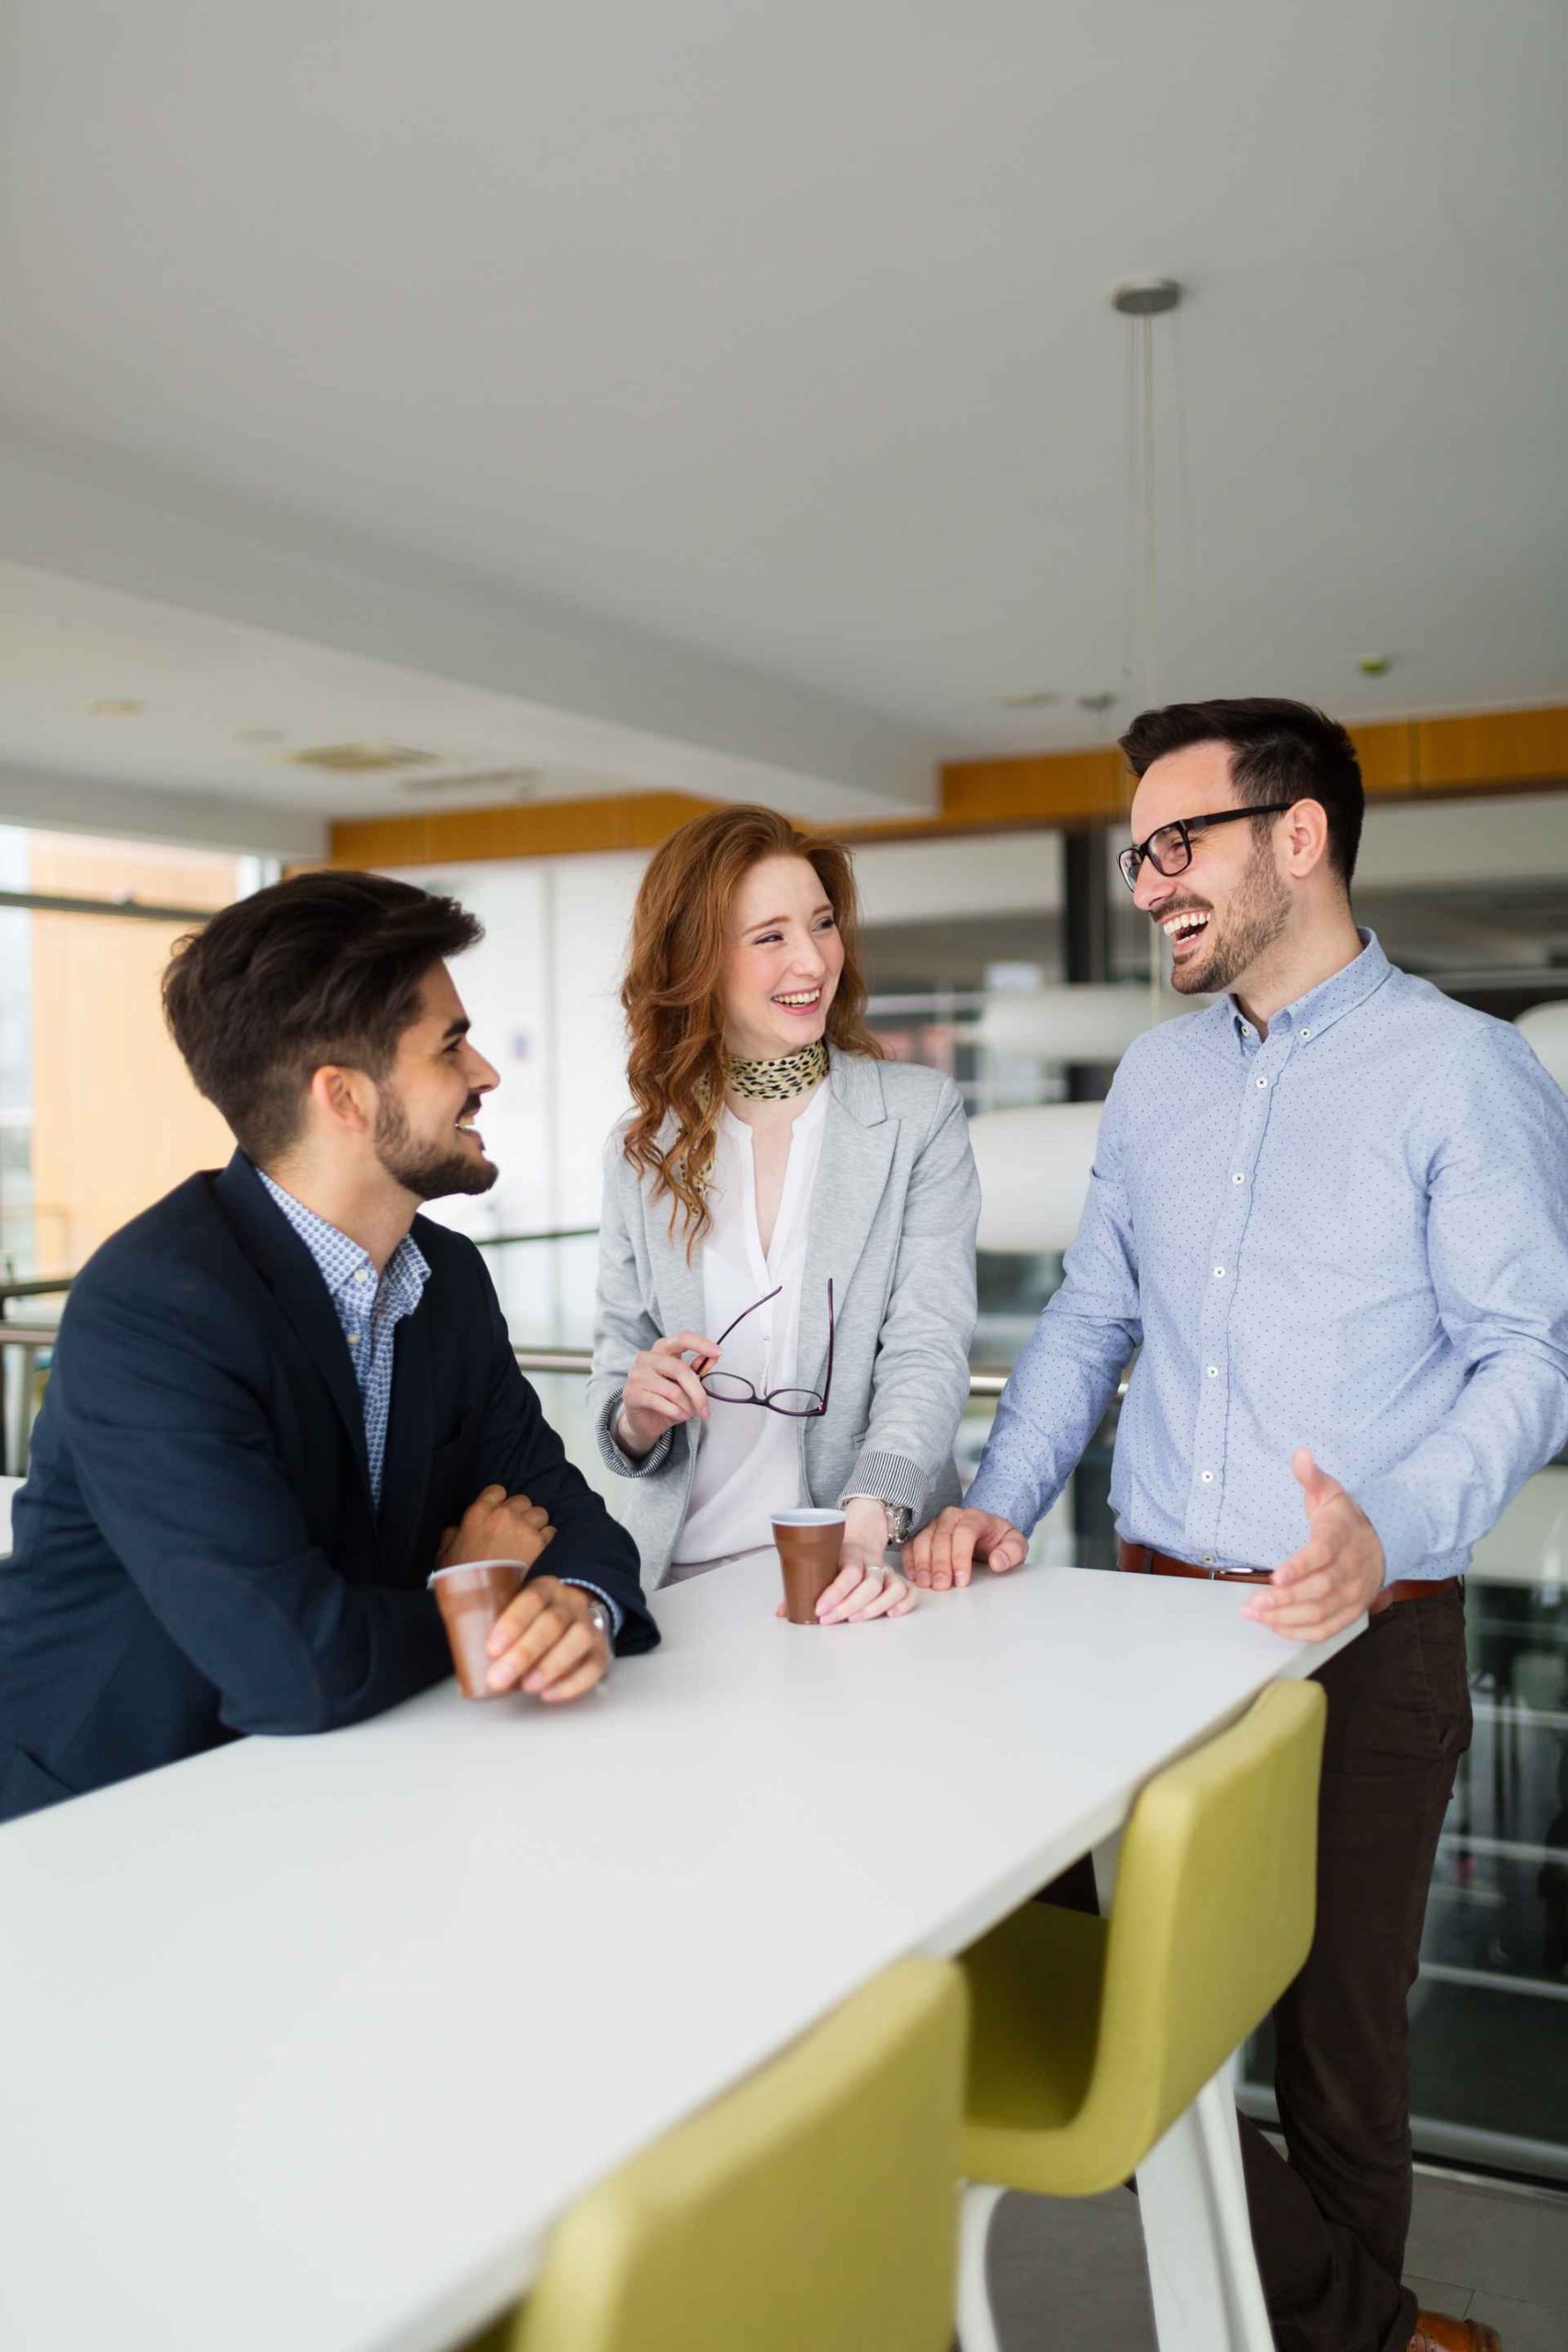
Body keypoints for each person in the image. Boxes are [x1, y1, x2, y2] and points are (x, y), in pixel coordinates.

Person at [908, 699, 1568, 2352]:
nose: (1145, 885)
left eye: (1175, 843)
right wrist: (994, 1503)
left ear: (1298, 836)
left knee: (1344, 2049)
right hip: (1142, 1626)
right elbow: (1086, 1318)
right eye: (1135, 853)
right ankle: (1371, 2331)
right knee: (1110, 2011)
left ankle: (1339, 2330)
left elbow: (1532, 1358)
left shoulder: (1461, 1073)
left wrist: (1390, 1523)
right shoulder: (1152, 1079)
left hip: (1360, 1629)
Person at [0, 872, 657, 1823]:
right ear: (343, 1097)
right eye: (449, 1045)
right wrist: (470, 1589)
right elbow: (295, 1665)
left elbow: (572, 1522)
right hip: (106, 1828)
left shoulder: (449, 1282)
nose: (486, 1072)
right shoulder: (154, 1312)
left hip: (338, 1793)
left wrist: (578, 1609)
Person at [591, 805, 980, 1615]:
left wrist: (867, 1526)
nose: (812, 959)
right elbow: (616, 1365)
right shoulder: (640, 1150)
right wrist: (634, 1413)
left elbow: (926, 1348)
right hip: (685, 1580)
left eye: (822, 924)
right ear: (696, 959)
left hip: (867, 1565)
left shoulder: (915, 1115)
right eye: (769, 936)